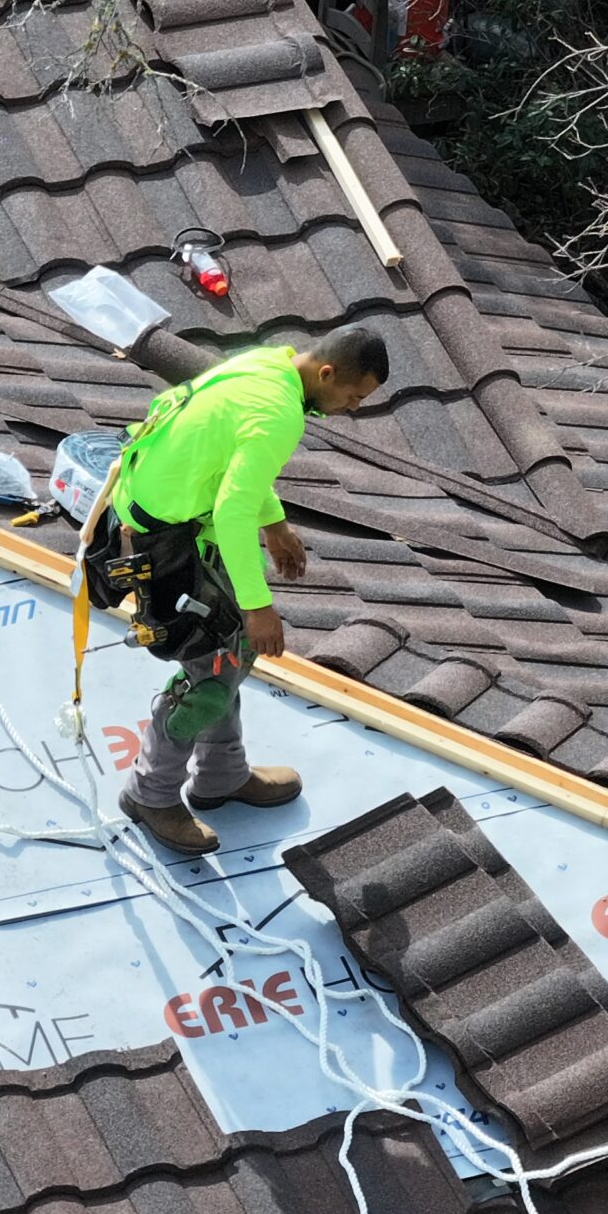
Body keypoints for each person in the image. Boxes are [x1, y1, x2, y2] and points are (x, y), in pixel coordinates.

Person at [105, 325, 388, 856]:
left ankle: (220, 776)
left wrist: (276, 523)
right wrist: (259, 606)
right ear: (326, 373)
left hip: (156, 518)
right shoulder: (278, 415)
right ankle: (150, 792)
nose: (352, 408)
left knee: (226, 659)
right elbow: (234, 511)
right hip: (164, 545)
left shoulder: (266, 363)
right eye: (353, 395)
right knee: (210, 674)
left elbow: (232, 467)